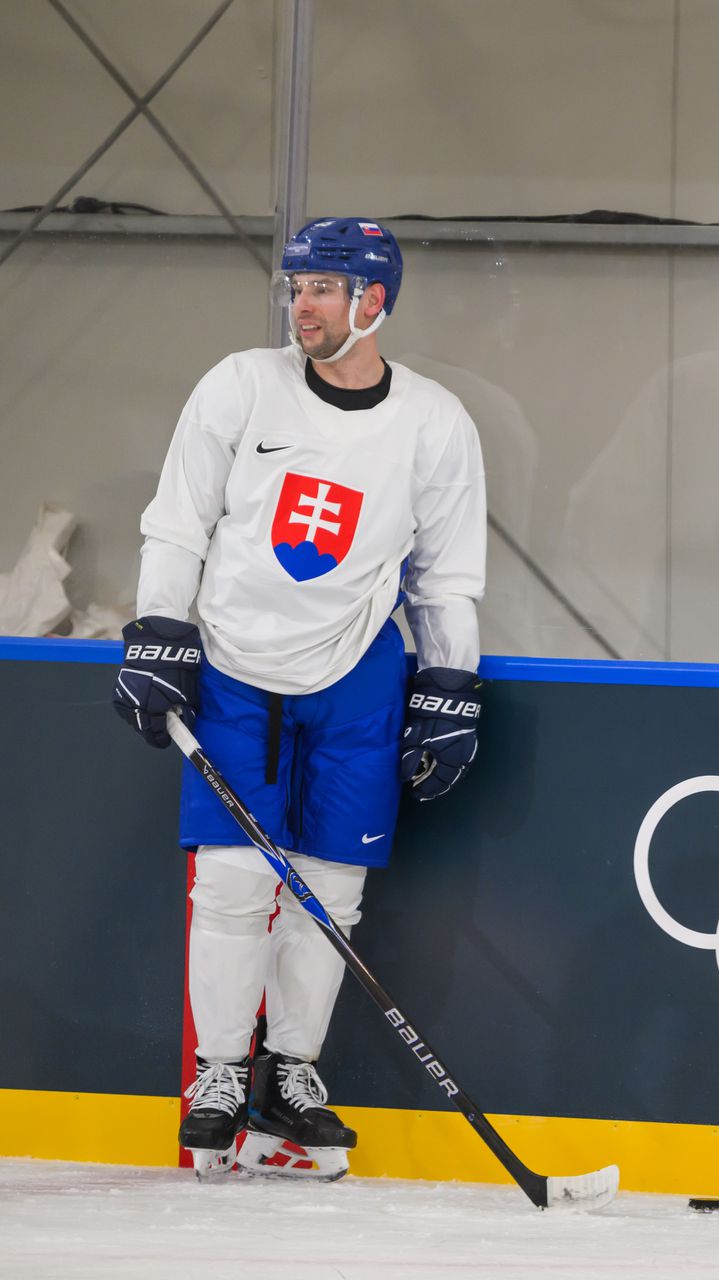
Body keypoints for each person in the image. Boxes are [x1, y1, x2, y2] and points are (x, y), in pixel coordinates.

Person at [112, 217, 488, 1182]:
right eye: (297, 287)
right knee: (236, 885)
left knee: (332, 892)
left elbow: (447, 574)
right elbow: (178, 518)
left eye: (323, 287)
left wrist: (450, 684)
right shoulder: (241, 385)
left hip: (358, 670)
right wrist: (160, 629)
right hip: (236, 665)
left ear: (376, 302)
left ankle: (293, 1075)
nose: (302, 305)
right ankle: (222, 1074)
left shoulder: (435, 421)